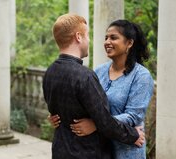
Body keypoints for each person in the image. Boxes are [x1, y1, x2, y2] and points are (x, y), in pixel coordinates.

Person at [42, 14, 145, 159]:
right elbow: (104, 121)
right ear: (78, 37)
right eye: (87, 35)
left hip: (60, 151)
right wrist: (133, 135)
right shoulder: (86, 76)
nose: (89, 40)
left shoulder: (50, 71)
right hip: (87, 152)